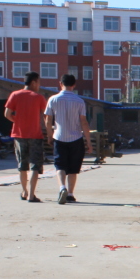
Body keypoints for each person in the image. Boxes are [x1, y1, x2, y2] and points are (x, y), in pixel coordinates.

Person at [43, 74, 92, 204]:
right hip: (76, 138)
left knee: (60, 165)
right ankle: (70, 194)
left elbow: (48, 120)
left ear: (60, 83)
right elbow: (84, 122)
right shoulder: (79, 101)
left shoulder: (53, 99)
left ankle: (62, 187)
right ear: (74, 85)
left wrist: (49, 135)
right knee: (73, 168)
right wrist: (88, 141)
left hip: (59, 137)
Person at [5, 72, 48, 202]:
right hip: (35, 135)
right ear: (34, 82)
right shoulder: (39, 97)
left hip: (19, 134)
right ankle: (32, 195)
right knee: (35, 165)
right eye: (39, 82)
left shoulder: (15, 95)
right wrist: (50, 132)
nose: (39, 85)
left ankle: (24, 191)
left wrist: (17, 121)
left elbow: (7, 113)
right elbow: (46, 116)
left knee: (22, 165)